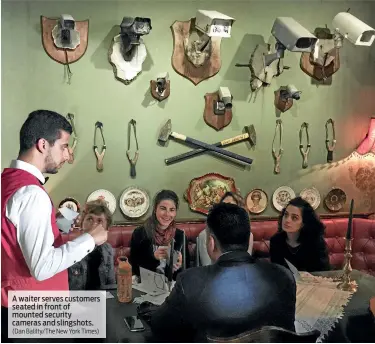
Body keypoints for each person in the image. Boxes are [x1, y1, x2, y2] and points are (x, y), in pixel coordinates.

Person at [1, 110, 107, 342]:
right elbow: (41, 267)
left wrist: (57, 226)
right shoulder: (31, 194)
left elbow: (12, 241)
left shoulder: (7, 181)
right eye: (64, 146)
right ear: (42, 145)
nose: (68, 155)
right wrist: (91, 239)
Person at [149, 202, 296, 342]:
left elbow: (159, 326)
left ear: (211, 243)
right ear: (247, 238)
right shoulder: (284, 275)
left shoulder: (190, 281)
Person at [129, 190, 190, 279]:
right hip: (146, 285)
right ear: (155, 209)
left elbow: (186, 271)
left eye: (172, 210)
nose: (167, 214)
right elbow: (135, 268)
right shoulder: (140, 233)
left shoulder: (180, 236)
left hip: (172, 287)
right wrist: (153, 258)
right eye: (163, 208)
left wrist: (180, 265)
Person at [270, 197, 330, 272]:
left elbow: (323, 272)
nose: (287, 220)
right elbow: (276, 271)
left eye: (294, 218)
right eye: (286, 215)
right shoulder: (276, 241)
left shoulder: (315, 242)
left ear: (304, 223)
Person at [68, 200, 116, 290]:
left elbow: (111, 284)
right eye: (90, 219)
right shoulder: (71, 249)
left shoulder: (107, 249)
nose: (94, 224)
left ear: (107, 227)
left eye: (100, 221)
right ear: (82, 224)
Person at [197, 191, 254, 266]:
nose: (225, 211)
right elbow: (207, 266)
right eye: (223, 206)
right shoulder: (205, 235)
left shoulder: (248, 235)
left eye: (231, 207)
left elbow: (245, 263)